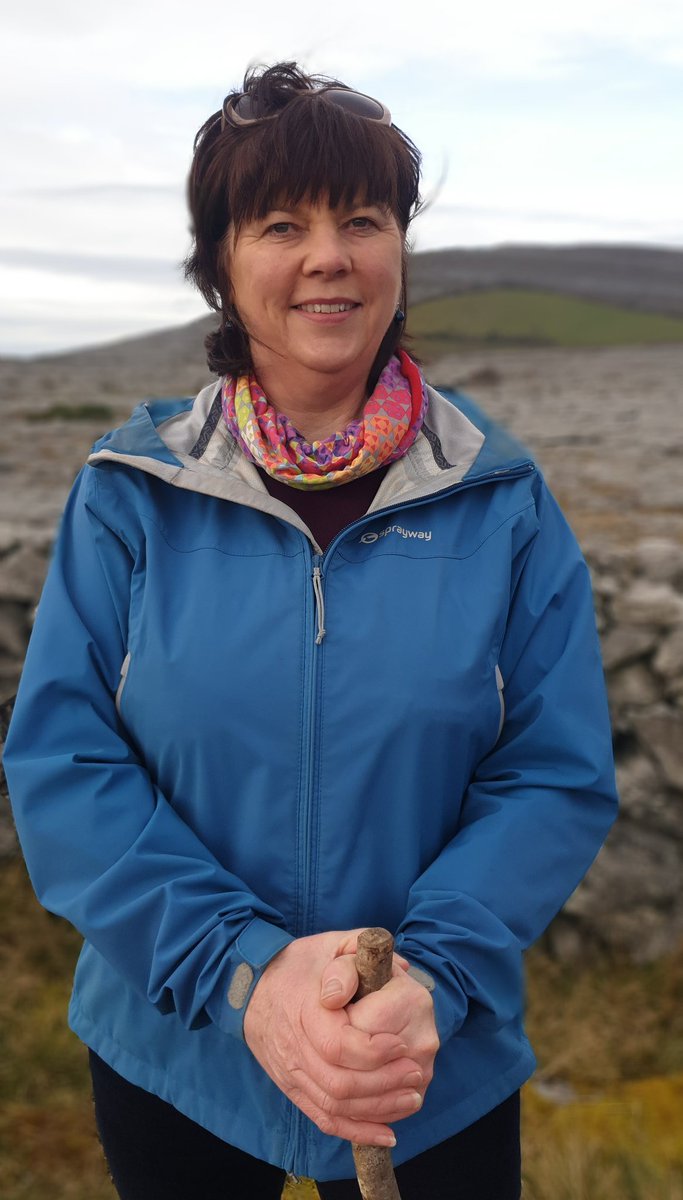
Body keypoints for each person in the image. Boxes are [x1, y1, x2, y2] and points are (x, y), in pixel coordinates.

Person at [4, 62, 618, 1200]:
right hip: (177, 1045)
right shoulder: (132, 493)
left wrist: (426, 976)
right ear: (221, 268)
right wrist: (247, 976)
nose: (327, 254)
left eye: (363, 219)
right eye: (281, 222)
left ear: (398, 250)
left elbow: (552, 771)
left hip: (423, 1059)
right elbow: (63, 762)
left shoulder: (503, 500)